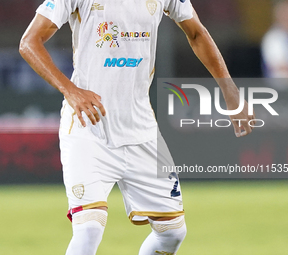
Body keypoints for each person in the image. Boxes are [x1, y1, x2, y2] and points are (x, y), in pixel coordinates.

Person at [19, 0, 254, 254]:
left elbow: (196, 32)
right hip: (89, 129)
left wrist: (230, 91)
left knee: (172, 233)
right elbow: (29, 42)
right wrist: (71, 91)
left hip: (141, 130)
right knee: (88, 229)